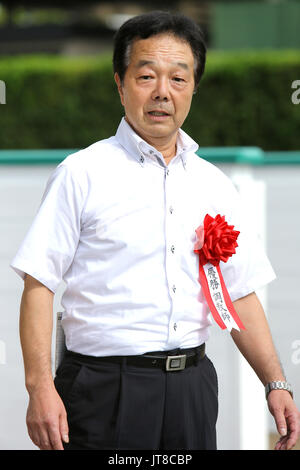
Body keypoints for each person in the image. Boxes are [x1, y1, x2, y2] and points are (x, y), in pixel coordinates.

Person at [11, 11, 300, 451]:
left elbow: (240, 291)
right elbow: (38, 283)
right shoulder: (82, 173)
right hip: (102, 391)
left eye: (179, 79)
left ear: (194, 89)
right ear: (120, 83)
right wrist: (39, 388)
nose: (162, 92)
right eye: (146, 76)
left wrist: (276, 382)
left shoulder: (214, 184)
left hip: (192, 390)